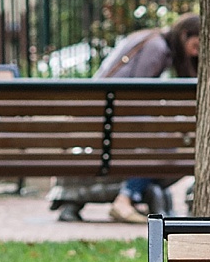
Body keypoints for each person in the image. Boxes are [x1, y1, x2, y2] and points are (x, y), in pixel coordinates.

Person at [52, 13, 202, 223]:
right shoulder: (157, 47)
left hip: (103, 114)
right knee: (166, 144)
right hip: (110, 117)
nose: (196, 53)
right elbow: (137, 96)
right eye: (196, 45)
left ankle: (127, 196)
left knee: (164, 140)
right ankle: (125, 198)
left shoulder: (149, 39)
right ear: (185, 34)